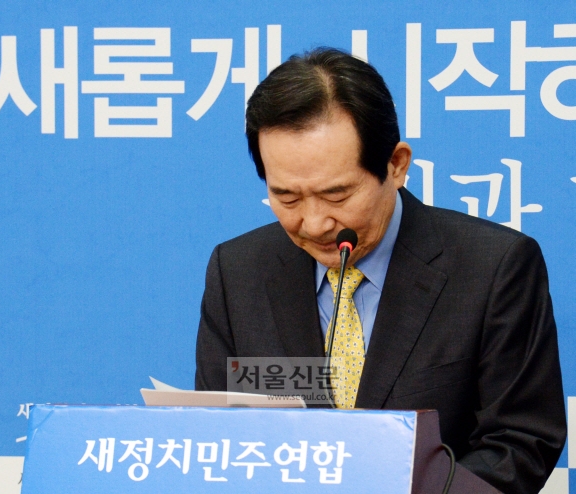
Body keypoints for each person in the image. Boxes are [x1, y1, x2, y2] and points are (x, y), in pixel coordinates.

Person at [195, 47, 566, 493]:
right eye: (287, 197)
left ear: (396, 165)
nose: (314, 223)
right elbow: (219, 436)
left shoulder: (493, 267)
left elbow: (519, 443)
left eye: (336, 195)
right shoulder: (238, 272)